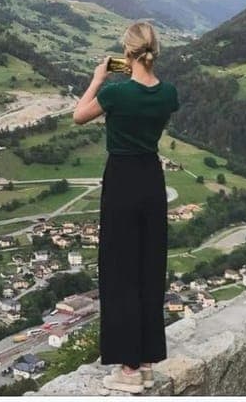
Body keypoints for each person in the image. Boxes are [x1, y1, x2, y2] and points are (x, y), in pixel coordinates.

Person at [72, 20, 180, 394]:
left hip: (121, 181)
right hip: (151, 178)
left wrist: (97, 79)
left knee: (121, 271)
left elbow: (78, 115)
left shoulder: (116, 93)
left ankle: (128, 370)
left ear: (127, 53)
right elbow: (153, 99)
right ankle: (146, 361)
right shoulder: (169, 94)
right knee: (149, 267)